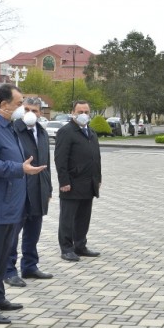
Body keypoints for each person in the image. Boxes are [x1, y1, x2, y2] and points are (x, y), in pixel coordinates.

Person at [0, 84, 47, 324]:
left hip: (11, 203)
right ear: (4, 105)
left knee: (3, 254)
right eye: (18, 104)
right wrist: (19, 168)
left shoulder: (7, 126)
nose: (21, 109)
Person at [4, 96, 54, 288]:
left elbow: (46, 163)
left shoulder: (41, 132)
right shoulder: (13, 130)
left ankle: (30, 265)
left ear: (41, 113)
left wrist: (48, 188)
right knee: (13, 233)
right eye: (27, 110)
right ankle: (9, 270)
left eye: (35, 111)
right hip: (19, 190)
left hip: (39, 189)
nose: (31, 114)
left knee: (33, 232)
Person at [54, 100, 103, 262]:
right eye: (80, 112)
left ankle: (80, 245)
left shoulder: (91, 132)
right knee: (68, 218)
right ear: (73, 112)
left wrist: (98, 178)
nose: (83, 115)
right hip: (72, 183)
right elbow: (60, 159)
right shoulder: (66, 131)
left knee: (83, 217)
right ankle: (66, 248)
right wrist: (64, 182)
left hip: (89, 183)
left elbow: (96, 156)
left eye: (86, 112)